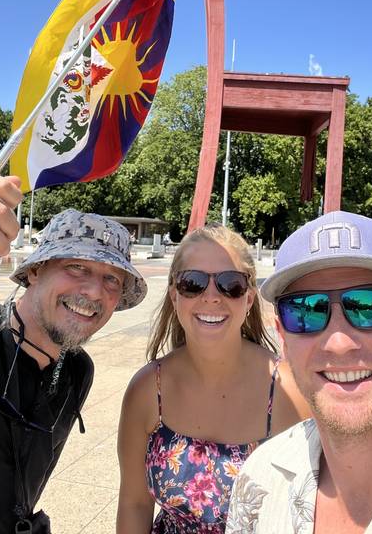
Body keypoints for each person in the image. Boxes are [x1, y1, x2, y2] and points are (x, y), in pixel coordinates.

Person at [227, 211, 372, 533]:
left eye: (370, 305)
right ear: (283, 337)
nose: (338, 343)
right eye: (305, 310)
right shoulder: (262, 475)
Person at [116, 223, 310, 533]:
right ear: (174, 296)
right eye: (192, 283)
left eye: (230, 284)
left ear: (248, 299)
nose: (211, 296)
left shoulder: (291, 392)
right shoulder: (147, 391)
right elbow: (134, 504)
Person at [0, 174, 147, 533]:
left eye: (113, 280)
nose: (93, 292)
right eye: (77, 267)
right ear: (36, 269)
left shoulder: (77, 371)